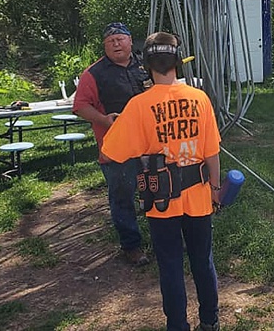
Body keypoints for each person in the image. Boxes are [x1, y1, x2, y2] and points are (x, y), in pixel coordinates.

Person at [102, 32, 221, 331]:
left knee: (170, 265)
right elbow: (212, 153)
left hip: (161, 199)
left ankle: (177, 325)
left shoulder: (139, 106)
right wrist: (216, 189)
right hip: (199, 194)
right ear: (177, 62)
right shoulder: (200, 98)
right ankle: (210, 321)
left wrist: (122, 125)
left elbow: (110, 152)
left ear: (147, 64)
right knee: (202, 260)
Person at [73, 22, 151, 266]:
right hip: (116, 147)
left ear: (130, 41)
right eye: (110, 41)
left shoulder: (147, 65)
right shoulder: (93, 73)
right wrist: (103, 120)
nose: (116, 44)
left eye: (120, 39)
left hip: (151, 143)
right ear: (105, 46)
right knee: (122, 196)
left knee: (158, 190)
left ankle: (165, 238)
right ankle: (131, 246)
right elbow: (80, 106)